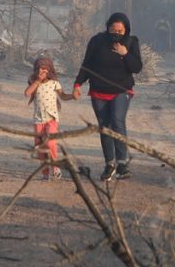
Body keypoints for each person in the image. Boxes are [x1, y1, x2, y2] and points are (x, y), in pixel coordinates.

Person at [72, 12, 143, 181]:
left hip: (121, 90)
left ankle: (122, 164)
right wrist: (77, 84)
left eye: (120, 30)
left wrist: (125, 53)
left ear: (126, 30)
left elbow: (137, 67)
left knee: (117, 121)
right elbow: (87, 65)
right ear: (107, 27)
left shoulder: (132, 42)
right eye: (113, 29)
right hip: (99, 90)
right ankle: (110, 164)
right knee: (105, 127)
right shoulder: (97, 41)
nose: (116, 33)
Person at [25, 56, 72, 181]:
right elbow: (27, 93)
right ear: (36, 70)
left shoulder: (54, 83)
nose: (42, 71)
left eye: (45, 69)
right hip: (38, 119)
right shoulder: (33, 81)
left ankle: (55, 167)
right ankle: (45, 172)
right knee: (40, 146)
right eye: (40, 69)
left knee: (50, 143)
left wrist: (73, 96)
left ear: (49, 70)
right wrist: (37, 81)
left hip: (51, 118)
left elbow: (63, 96)